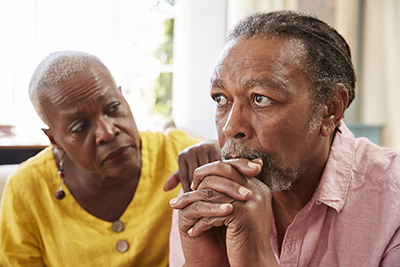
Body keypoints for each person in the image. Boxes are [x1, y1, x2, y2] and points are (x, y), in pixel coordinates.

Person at [168, 10, 400, 266]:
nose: (231, 127)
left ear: (330, 110)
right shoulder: (209, 198)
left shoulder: (392, 205)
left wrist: (256, 260)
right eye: (221, 99)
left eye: (260, 99)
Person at [0, 50, 219, 266]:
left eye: (113, 108)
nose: (107, 132)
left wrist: (223, 153)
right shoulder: (26, 189)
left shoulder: (178, 155)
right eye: (80, 127)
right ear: (54, 139)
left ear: (124, 98)